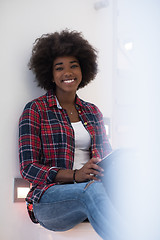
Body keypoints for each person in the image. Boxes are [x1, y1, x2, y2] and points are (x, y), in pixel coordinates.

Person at [19, 30, 127, 240]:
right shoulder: (35, 110)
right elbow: (28, 167)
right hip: (49, 200)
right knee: (91, 190)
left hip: (93, 191)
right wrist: (75, 175)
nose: (68, 72)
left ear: (83, 69)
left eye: (73, 65)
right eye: (59, 68)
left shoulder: (93, 112)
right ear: (50, 75)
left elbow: (104, 157)